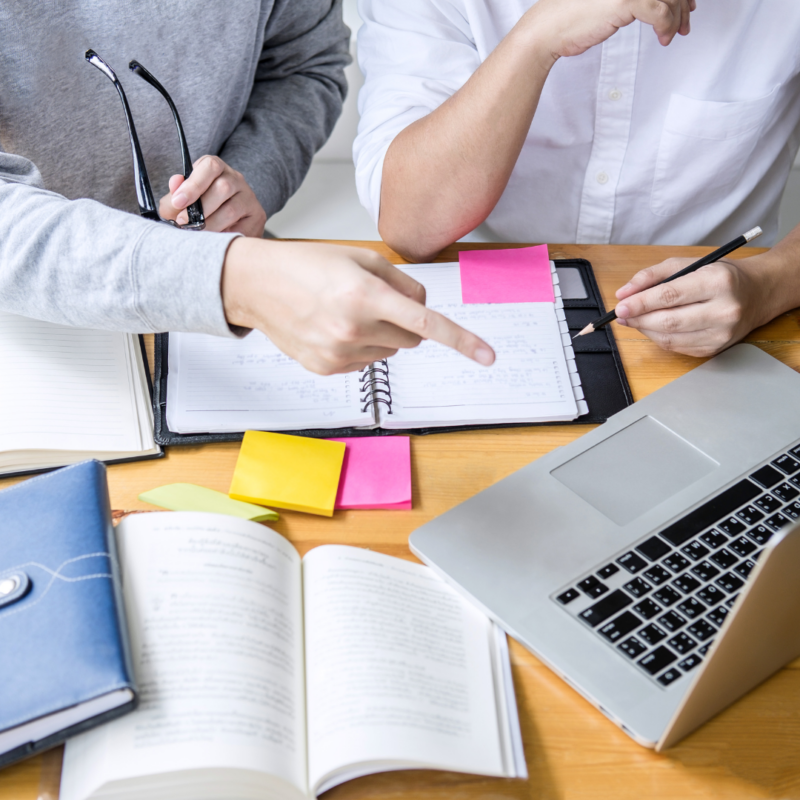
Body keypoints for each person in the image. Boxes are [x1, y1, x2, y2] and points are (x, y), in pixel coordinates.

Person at [0, 0, 494, 376]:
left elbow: (304, 65)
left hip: (236, 287)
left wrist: (246, 186)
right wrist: (226, 278)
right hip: (34, 329)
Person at [354, 0, 800, 357]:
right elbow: (412, 225)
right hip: (485, 300)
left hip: (722, 321)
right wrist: (535, 38)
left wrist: (770, 284)